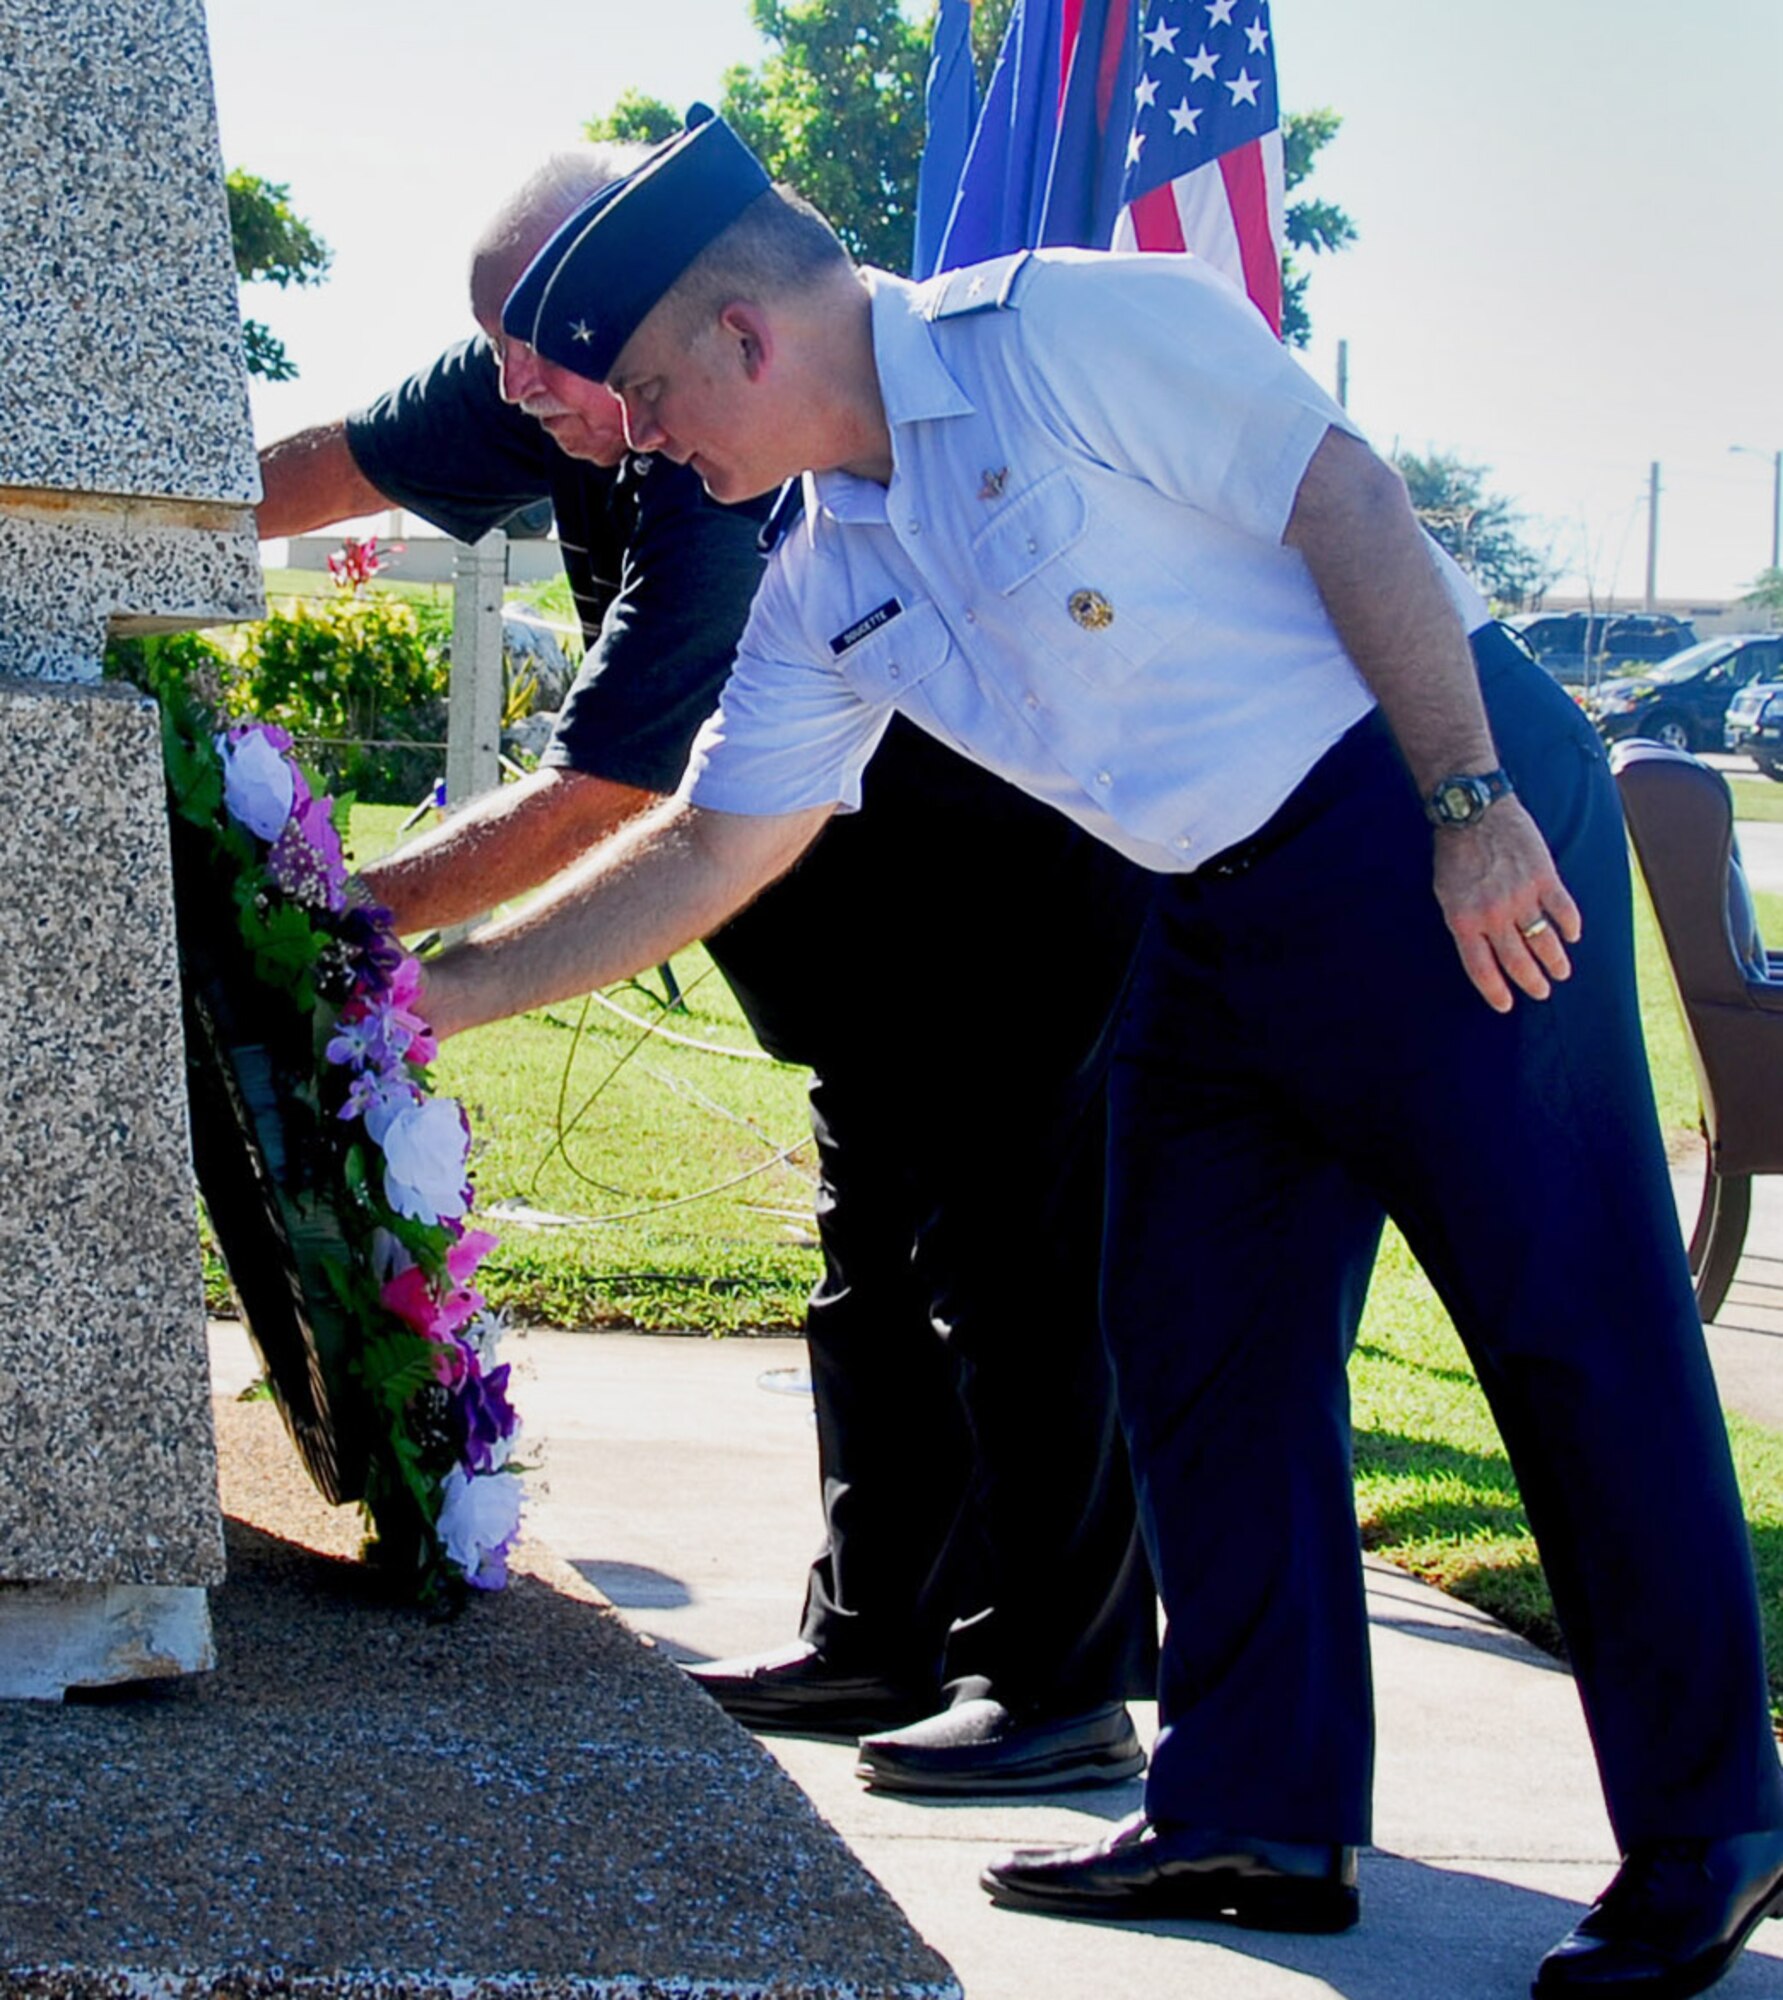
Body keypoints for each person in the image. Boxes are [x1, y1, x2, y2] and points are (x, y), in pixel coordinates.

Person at [416, 114, 1783, 1998]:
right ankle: (1259, 1809)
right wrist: (431, 1000)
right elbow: (716, 844)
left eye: (646, 392)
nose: (641, 439)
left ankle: (1710, 1830)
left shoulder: (1065, 329)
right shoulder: (826, 564)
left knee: (1574, 1323)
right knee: (1189, 1334)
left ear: (742, 337)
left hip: (1429, 815)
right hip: (1211, 909)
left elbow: (1350, 500)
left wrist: (1470, 800)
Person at [256, 145, 1159, 1795]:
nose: (521, 389)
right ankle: (878, 1632)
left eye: (557, 351)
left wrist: (320, 919)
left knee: (1012, 1271)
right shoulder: (546, 375)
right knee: (872, 1269)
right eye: (502, 348)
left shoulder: (714, 469)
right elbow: (345, 463)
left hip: (1003, 882)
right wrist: (135, 524)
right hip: (833, 893)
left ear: (657, 322)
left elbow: (609, 788)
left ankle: (1065, 1680)